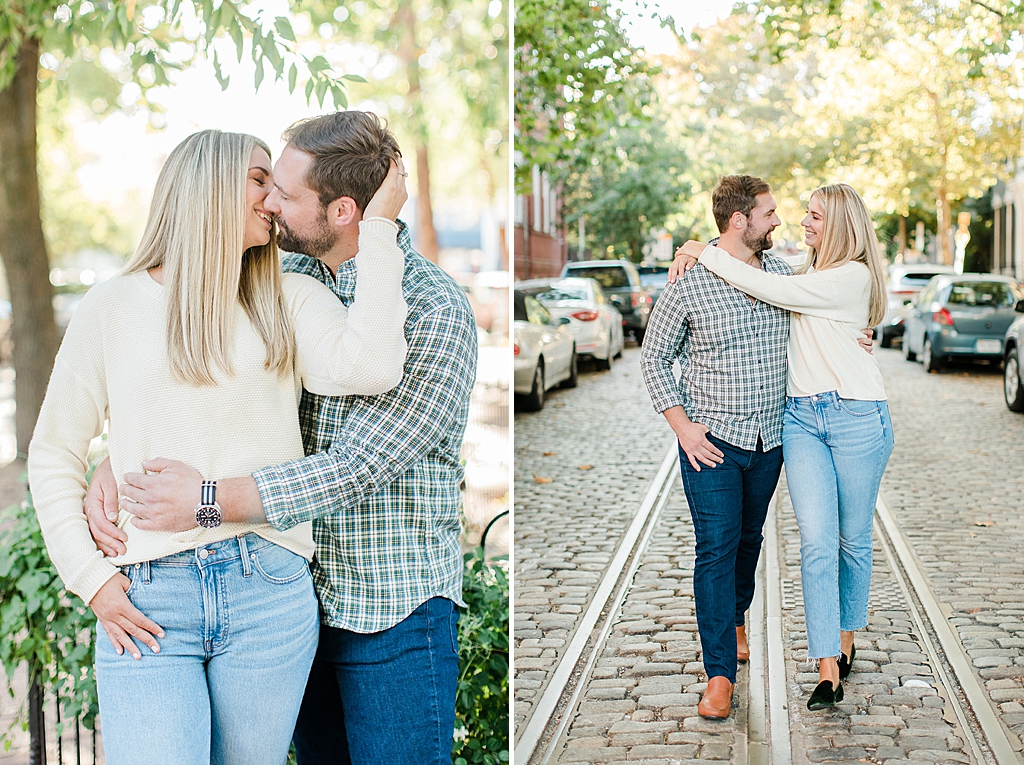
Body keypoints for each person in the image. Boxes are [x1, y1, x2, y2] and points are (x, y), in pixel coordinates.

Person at [85, 111, 479, 764]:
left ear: (346, 210)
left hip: (392, 613)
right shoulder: (282, 283)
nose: (266, 200)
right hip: (287, 603)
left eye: (284, 193)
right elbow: (219, 402)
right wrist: (117, 459)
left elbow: (357, 465)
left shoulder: (435, 309)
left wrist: (207, 498)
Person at [672, 182, 893, 710]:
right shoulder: (802, 273)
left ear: (837, 224)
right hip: (799, 419)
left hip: (857, 416)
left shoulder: (847, 276)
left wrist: (699, 249)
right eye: (791, 214)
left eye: (813, 216)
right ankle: (826, 666)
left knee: (851, 539)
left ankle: (846, 631)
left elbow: (770, 288)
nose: (798, 222)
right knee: (815, 541)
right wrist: (700, 247)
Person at [640, 175, 791, 719]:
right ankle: (719, 674)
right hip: (711, 444)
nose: (777, 220)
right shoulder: (688, 280)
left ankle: (737, 615)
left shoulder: (782, 274)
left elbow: (820, 322)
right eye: (769, 212)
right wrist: (683, 428)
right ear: (739, 221)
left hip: (769, 439)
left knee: (749, 538)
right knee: (717, 547)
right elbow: (654, 357)